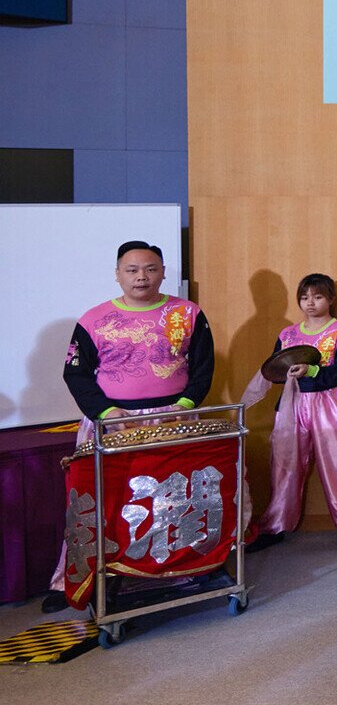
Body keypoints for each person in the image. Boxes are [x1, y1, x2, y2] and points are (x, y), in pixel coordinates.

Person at [49, 240, 215, 610]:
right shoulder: (94, 319)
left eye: (151, 268)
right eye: (133, 270)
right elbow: (75, 374)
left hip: (171, 418)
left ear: (163, 272)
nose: (142, 276)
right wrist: (106, 413)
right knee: (102, 500)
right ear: (118, 275)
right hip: (114, 421)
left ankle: (177, 569)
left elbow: (203, 366)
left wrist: (183, 405)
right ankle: (76, 579)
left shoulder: (186, 313)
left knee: (170, 498)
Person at [246, 272, 337, 548]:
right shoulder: (287, 334)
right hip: (291, 402)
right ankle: (276, 525)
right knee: (284, 463)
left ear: (330, 299)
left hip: (329, 403)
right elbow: (275, 369)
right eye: (305, 297)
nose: (310, 303)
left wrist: (313, 369)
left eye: (318, 296)